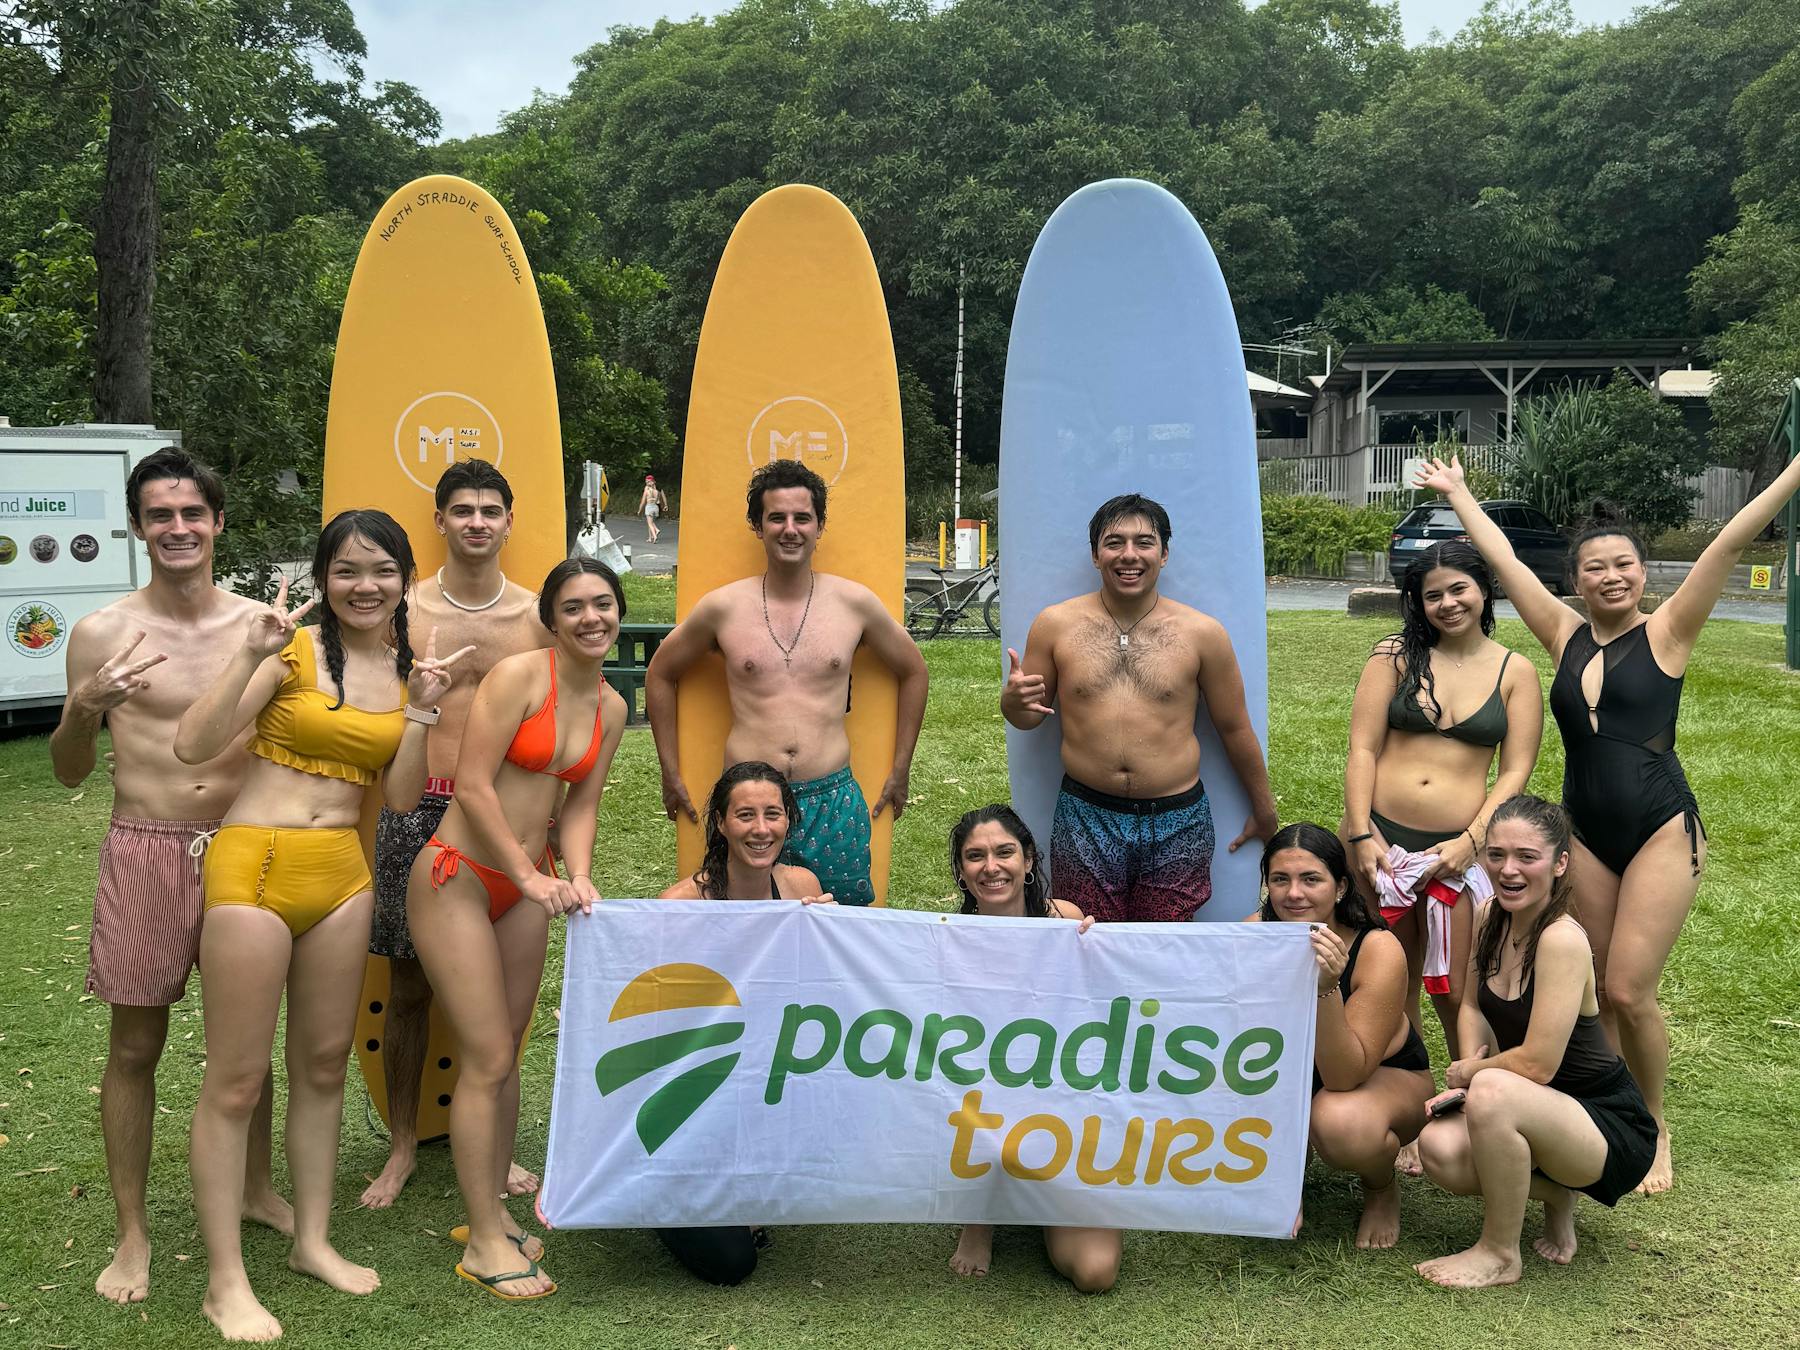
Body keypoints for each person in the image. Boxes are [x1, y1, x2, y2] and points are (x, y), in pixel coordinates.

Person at [1416, 449, 1800, 1193]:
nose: (1612, 577)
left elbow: (1725, 542)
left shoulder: (1667, 634)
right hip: (1584, 833)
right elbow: (1507, 565)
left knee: (1628, 989)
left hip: (1660, 823)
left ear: (1643, 572)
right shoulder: (1564, 634)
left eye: (1624, 565)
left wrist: (1792, 474)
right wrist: (1460, 494)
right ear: (1576, 579)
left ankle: (1653, 1125)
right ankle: (1607, 1113)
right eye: (1595, 568)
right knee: (1590, 980)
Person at [174, 510, 468, 1341]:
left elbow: (404, 798)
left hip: (343, 874)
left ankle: (311, 1240)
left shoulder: (412, 670)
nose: (363, 586)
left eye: (380, 570)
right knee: (235, 1079)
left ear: (405, 579)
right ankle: (224, 1281)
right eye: (346, 570)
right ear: (322, 578)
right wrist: (248, 655)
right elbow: (195, 746)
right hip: (255, 864)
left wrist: (422, 713)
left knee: (323, 1070)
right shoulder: (292, 652)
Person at [48, 448, 293, 1305]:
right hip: (146, 843)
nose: (178, 528)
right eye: (160, 515)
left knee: (247, 1046)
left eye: (193, 513)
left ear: (219, 523)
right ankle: (132, 1233)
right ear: (137, 526)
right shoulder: (104, 634)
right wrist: (82, 710)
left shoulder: (260, 625)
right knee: (136, 1046)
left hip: (245, 845)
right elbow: (70, 771)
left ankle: (258, 1192)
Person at [407, 557, 627, 1302]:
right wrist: (530, 874)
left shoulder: (612, 706)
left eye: (603, 604)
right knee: (488, 1054)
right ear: (552, 621)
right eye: (574, 608)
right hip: (458, 877)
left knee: (508, 1053)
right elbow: (471, 784)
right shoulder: (518, 679)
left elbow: (581, 804)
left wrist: (579, 869)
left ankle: (489, 1217)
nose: (591, 618)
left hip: (526, 885)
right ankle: (485, 1240)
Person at [362, 458, 550, 1209]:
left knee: (505, 998)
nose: (476, 522)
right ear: (438, 521)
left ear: (509, 520)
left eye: (489, 510)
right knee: (406, 986)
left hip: (500, 819)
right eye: (461, 510)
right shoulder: (401, 609)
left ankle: (497, 1149)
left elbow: (560, 719)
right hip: (415, 806)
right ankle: (404, 1143)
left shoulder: (538, 615)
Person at [646, 459, 928, 906]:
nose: (790, 528)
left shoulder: (854, 603)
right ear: (758, 525)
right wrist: (670, 772)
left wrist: (901, 768)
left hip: (830, 798)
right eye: (776, 517)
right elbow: (661, 673)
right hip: (747, 805)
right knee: (742, 929)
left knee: (841, 927)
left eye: (802, 517)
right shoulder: (723, 608)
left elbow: (914, 671)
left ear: (819, 525)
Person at [1343, 541, 1541, 1178]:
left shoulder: (1515, 671)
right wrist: (1359, 834)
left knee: (1454, 987)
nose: (1447, 603)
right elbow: (1363, 750)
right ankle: (1404, 1114)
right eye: (1433, 595)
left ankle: (1465, 1106)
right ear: (1417, 603)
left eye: (1459, 589)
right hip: (1383, 843)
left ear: (1483, 589)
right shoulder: (1394, 657)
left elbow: (1516, 770)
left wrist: (1472, 840)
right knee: (1388, 979)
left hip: (1458, 852)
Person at [1414, 794, 1657, 1288]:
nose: (1509, 870)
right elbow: (1472, 1005)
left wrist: (1471, 1076)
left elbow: (1540, 1065)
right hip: (1536, 1107)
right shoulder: (1487, 916)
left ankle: (1500, 1253)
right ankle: (1554, 1194)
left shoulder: (1562, 940)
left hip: (1606, 1125)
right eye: (1497, 854)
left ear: (1560, 863)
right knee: (1439, 1147)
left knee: (1494, 1091)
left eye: (1528, 856)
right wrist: (1467, 1072)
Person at [1001, 493, 1278, 922]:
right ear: (1095, 555)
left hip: (1177, 818)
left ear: (1164, 554)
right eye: (1114, 542)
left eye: (1144, 542)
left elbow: (1235, 728)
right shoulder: (1056, 625)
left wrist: (1264, 808)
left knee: (1164, 943)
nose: (1129, 555)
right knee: (1085, 936)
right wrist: (1012, 703)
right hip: (1085, 815)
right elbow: (1027, 717)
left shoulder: (1202, 633)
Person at [654, 760, 836, 1286]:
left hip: (766, 1070)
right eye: (746, 816)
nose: (761, 829)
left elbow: (817, 992)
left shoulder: (801, 885)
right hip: (698, 1083)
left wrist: (823, 934)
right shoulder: (681, 903)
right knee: (731, 1263)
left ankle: (749, 1184)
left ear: (788, 821)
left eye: (773, 815)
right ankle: (653, 1195)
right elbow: (666, 1015)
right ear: (720, 823)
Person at [940, 805, 1110, 1290]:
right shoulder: (947, 937)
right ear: (961, 871)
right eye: (975, 856)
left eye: (1004, 852)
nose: (991, 867)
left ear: (1029, 860)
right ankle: (981, 1217)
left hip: (1064, 1107)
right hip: (986, 1107)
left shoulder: (1070, 922)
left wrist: (1099, 952)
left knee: (1095, 1272)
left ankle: (1046, 1196)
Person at [1250, 824, 1433, 1249]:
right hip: (1292, 1076)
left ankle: (1380, 1186)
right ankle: (1282, 1181)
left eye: (1311, 879)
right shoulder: (1252, 935)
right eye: (1281, 879)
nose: (1294, 894)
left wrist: (1326, 987)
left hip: (1377, 1081)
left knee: (1339, 1121)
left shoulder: (1377, 949)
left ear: (1340, 888)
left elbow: (1343, 1075)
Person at [639, 474, 664, 543]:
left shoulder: (646, 490)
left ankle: (655, 535)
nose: (647, 483)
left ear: (651, 482)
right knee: (651, 522)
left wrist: (639, 510)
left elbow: (643, 500)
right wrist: (664, 505)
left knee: (649, 523)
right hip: (655, 507)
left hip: (649, 507)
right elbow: (660, 499)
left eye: (648, 481)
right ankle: (650, 537)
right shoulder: (657, 491)